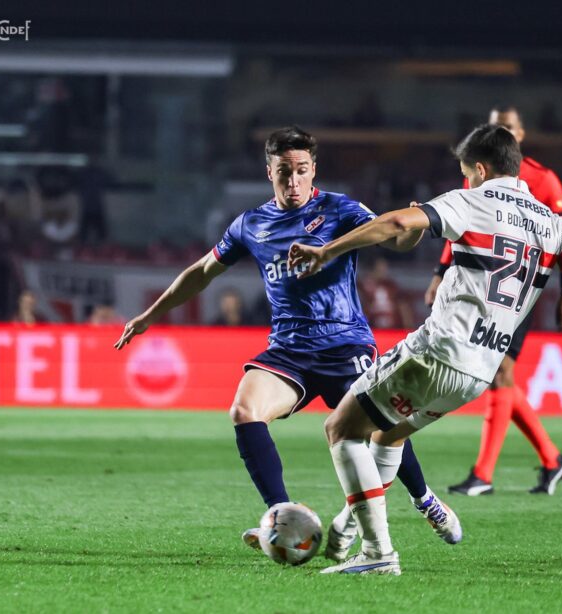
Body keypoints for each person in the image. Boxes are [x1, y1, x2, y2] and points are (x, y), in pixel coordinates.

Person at [288, 124, 562, 575]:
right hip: (479, 372)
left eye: (465, 173)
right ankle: (348, 528)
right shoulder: (551, 222)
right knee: (389, 434)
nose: (465, 181)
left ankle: (378, 553)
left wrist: (327, 251)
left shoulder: (471, 200)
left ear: (479, 168)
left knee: (340, 428)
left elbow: (397, 223)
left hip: (439, 351)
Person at [113, 126, 461, 559]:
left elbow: (396, 238)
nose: (293, 181)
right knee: (244, 410)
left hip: (344, 344)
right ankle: (280, 515)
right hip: (289, 350)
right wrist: (150, 315)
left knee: (384, 432)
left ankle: (425, 499)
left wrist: (409, 232)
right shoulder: (251, 224)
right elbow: (202, 271)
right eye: (284, 172)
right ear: (269, 172)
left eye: (300, 170)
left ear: (314, 169)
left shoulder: (340, 209)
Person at [426, 106, 562, 496]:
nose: (502, 131)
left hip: (516, 288)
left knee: (500, 374)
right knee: (498, 375)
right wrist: (440, 275)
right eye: (496, 126)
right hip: (481, 286)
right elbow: (464, 228)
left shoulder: (542, 180)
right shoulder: (480, 177)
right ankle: (551, 459)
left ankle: (484, 474)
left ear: (520, 135)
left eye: (508, 127)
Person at [358, 257, 415, 329]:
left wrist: (408, 326)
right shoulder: (363, 286)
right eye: (380, 268)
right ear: (373, 269)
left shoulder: (391, 286)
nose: (384, 271)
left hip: (393, 329)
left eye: (384, 268)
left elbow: (403, 306)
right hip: (373, 329)